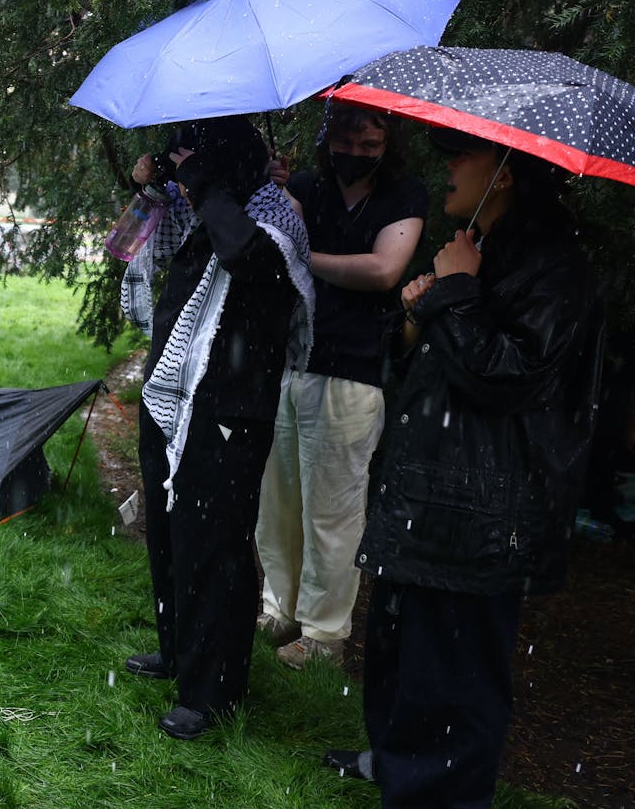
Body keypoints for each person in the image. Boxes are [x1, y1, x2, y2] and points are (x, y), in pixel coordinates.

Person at [324, 128, 602, 806]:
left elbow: (510, 376)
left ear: (505, 173)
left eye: (465, 155)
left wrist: (455, 293)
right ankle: (394, 759)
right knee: (398, 658)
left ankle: (435, 787)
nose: (449, 166)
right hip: (427, 500)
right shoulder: (474, 250)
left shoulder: (553, 265)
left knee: (455, 675)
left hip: (481, 518)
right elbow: (432, 364)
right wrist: (420, 317)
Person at [119, 115, 314, 740]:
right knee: (172, 534)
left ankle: (213, 693)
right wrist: (155, 190)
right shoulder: (199, 206)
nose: (186, 171)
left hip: (232, 407)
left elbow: (247, 255)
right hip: (176, 397)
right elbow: (124, 248)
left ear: (225, 164)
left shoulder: (273, 213)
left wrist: (206, 187)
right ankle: (179, 652)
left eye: (196, 159)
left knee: (217, 546)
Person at [254, 103, 428, 669]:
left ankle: (324, 635)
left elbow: (383, 270)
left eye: (369, 144)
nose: (355, 153)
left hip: (353, 374)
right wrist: (275, 189)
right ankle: (278, 608)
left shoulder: (405, 197)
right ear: (328, 139)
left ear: (388, 143)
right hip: (291, 361)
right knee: (276, 503)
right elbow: (276, 242)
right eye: (345, 141)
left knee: (332, 512)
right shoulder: (308, 185)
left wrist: (309, 256)